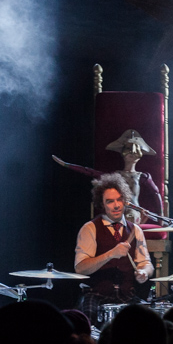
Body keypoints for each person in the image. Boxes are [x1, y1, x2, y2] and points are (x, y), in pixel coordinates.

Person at [74, 172, 154, 325]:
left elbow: (146, 263)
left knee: (147, 321)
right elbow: (81, 268)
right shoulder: (90, 229)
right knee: (87, 319)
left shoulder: (136, 230)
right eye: (110, 201)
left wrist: (144, 271)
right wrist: (110, 254)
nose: (116, 205)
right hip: (97, 295)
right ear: (102, 204)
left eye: (119, 200)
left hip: (127, 295)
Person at [53, 129, 163, 224]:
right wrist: (67, 165)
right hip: (117, 210)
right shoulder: (116, 175)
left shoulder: (142, 177)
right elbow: (91, 172)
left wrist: (160, 215)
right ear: (122, 152)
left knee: (129, 217)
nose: (132, 152)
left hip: (133, 213)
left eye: (135, 149)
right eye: (128, 149)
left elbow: (156, 193)